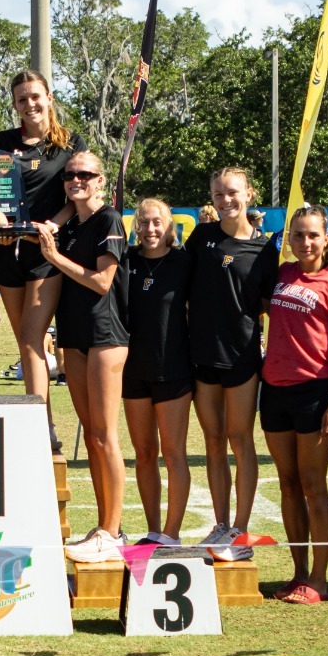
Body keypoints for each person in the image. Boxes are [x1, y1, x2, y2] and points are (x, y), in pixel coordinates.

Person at [258, 205, 328, 603]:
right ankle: (297, 571)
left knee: (313, 485)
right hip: (274, 390)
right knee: (287, 483)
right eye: (297, 235)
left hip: (315, 392)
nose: (305, 242)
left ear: (326, 238)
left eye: (312, 235)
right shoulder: (282, 274)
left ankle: (318, 578)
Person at [36, 151, 129, 562]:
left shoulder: (108, 219)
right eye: (71, 174)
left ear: (100, 181)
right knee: (90, 436)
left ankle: (113, 530)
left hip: (105, 336)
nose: (76, 180)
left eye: (85, 174)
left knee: (106, 436)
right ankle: (103, 528)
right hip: (72, 336)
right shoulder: (71, 224)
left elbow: (103, 282)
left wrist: (55, 257)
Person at [185, 167, 279, 557]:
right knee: (212, 442)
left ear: (250, 194)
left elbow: (269, 304)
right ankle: (220, 526)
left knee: (240, 441)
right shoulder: (201, 237)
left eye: (233, 193)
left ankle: (241, 532)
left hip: (241, 359)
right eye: (219, 194)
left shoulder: (265, 250)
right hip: (201, 355)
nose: (226, 201)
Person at [0, 70, 83, 444]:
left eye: (35, 96)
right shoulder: (3, 142)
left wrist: (51, 228)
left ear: (49, 97)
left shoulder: (70, 143)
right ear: (14, 104)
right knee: (25, 342)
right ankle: (40, 422)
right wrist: (1, 223)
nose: (30, 104)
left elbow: (76, 198)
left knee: (32, 338)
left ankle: (43, 426)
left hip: (48, 253)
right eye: (21, 99)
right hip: (8, 252)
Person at [121, 199, 193, 547]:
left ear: (170, 227)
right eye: (144, 223)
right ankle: (153, 530)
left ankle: (172, 532)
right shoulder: (127, 260)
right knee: (144, 452)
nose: (150, 229)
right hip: (133, 370)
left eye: (157, 223)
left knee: (173, 452)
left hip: (174, 370)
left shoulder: (184, 262)